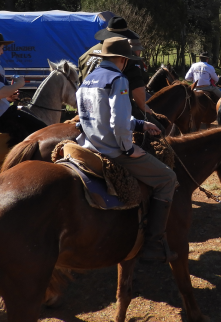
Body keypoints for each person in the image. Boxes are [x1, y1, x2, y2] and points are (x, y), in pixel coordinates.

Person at [76, 37, 177, 263]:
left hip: (87, 146)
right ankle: (153, 244)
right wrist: (129, 150)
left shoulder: (88, 79)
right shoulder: (118, 79)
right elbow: (117, 124)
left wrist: (140, 124)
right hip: (111, 149)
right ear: (122, 60)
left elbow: (96, 116)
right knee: (167, 178)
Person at [79, 17, 157, 121]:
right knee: (160, 129)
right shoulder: (126, 56)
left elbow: (80, 84)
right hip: (113, 110)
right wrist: (143, 106)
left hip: (86, 110)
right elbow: (137, 87)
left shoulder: (84, 56)